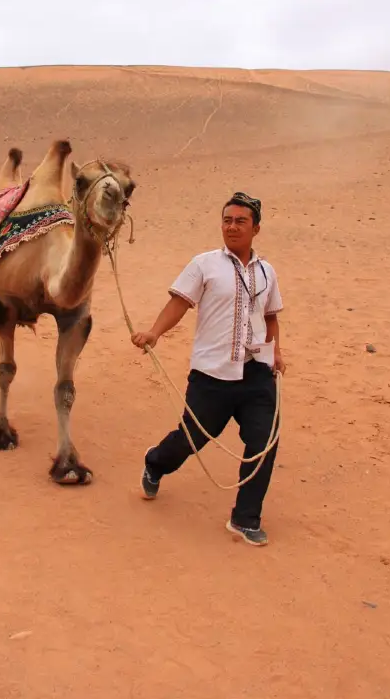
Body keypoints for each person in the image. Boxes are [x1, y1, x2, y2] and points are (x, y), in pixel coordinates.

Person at [130, 191, 285, 546]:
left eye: (241, 221)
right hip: (212, 376)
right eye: (227, 220)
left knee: (264, 442)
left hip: (256, 374)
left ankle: (245, 518)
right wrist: (154, 333)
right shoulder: (204, 264)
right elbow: (179, 303)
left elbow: (271, 317)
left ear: (256, 228)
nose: (232, 227)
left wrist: (276, 351)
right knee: (193, 437)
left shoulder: (267, 272)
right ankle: (155, 463)